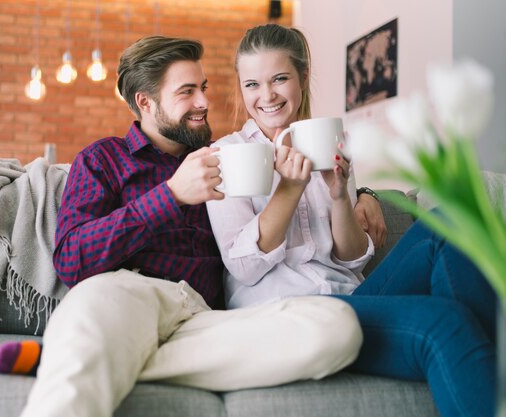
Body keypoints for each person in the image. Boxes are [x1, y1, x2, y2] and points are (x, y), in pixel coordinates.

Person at [0, 35, 396, 417]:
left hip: (206, 316)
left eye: (203, 87)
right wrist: (169, 196)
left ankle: (88, 356)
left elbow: (307, 192)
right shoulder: (103, 159)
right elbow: (72, 259)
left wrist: (366, 195)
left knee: (337, 329)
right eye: (187, 92)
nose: (204, 101)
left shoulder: (225, 155)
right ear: (145, 102)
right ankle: (89, 350)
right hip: (129, 295)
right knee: (95, 309)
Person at [205, 23, 496, 417]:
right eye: (252, 84)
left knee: (452, 221)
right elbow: (244, 265)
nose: (267, 96)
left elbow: (351, 258)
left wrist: (343, 194)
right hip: (289, 315)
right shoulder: (227, 155)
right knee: (444, 322)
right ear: (240, 86)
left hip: (352, 299)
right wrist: (289, 189)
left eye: (279, 79)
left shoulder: (326, 141)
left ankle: (486, 369)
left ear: (302, 78)